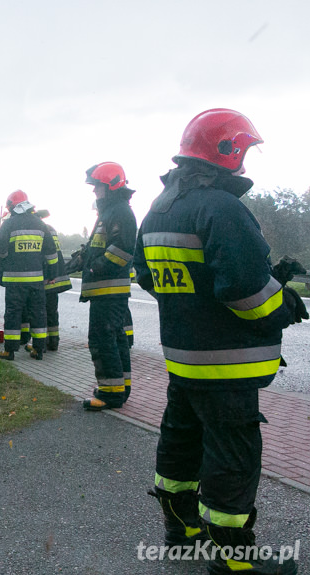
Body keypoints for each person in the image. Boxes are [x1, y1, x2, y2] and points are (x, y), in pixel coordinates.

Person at [134, 109, 304, 574]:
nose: (246, 160)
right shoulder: (222, 208)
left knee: (181, 445)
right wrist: (285, 304)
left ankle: (181, 532)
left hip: (184, 361)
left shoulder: (160, 207)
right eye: (243, 149)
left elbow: (150, 276)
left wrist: (194, 299)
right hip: (226, 367)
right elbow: (246, 291)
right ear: (227, 151)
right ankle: (235, 559)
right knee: (232, 455)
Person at [79, 162, 137, 411]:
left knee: (103, 340)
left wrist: (94, 267)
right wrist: (84, 258)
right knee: (115, 338)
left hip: (109, 290)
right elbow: (102, 246)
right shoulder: (112, 212)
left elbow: (122, 251)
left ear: (111, 185)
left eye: (98, 187)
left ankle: (110, 393)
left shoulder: (120, 212)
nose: (94, 192)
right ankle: (119, 388)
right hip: (107, 291)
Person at [0, 190, 58, 361]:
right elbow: (51, 252)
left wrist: (1, 259)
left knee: (13, 314)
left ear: (12, 206)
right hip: (37, 281)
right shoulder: (40, 224)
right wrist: (52, 273)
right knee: (38, 314)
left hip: (15, 281)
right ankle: (38, 350)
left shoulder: (9, 223)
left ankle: (10, 350)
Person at [33, 210, 71, 351]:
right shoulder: (51, 229)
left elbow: (43, 255)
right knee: (52, 312)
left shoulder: (38, 230)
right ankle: (54, 342)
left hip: (45, 278)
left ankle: (41, 344)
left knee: (40, 312)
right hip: (56, 277)